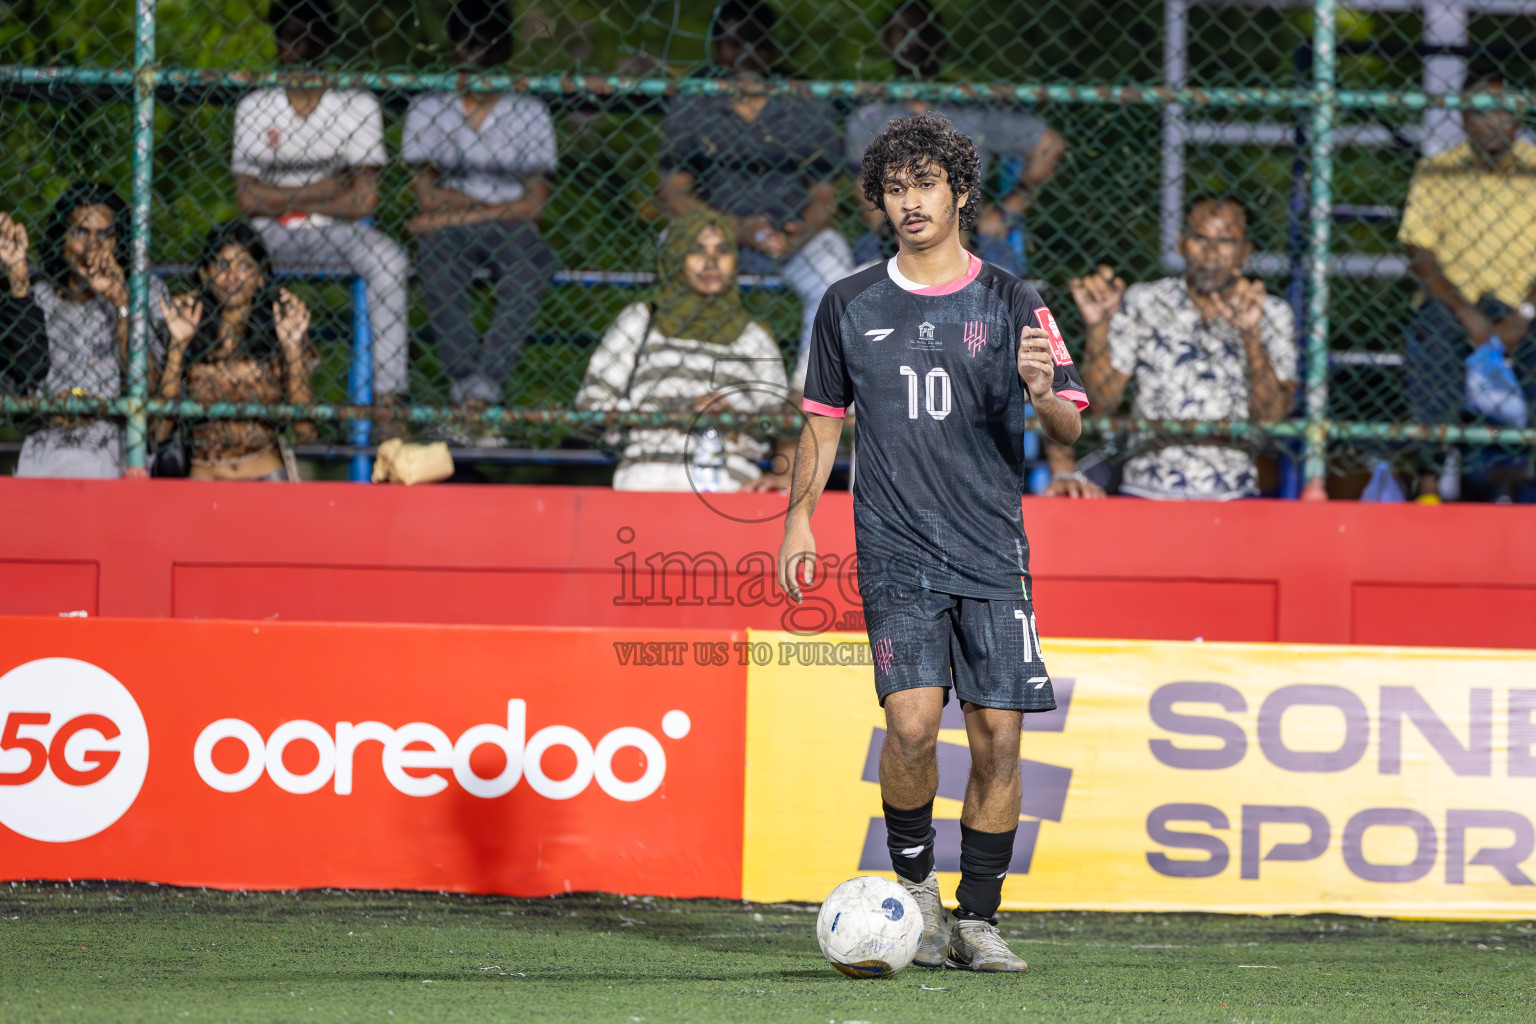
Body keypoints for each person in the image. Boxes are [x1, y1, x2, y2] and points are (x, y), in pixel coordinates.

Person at [777, 112, 1088, 972]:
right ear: (879, 200)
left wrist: (1041, 391)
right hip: (896, 546)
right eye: (894, 187)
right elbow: (822, 426)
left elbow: (1070, 425)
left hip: (992, 549)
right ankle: (913, 884)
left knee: (999, 737)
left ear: (958, 192)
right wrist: (799, 516)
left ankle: (977, 920)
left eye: (925, 184)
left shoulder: (1017, 299)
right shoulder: (846, 303)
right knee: (911, 725)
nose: (910, 201)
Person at [657, 0, 854, 389]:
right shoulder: (694, 101)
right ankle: (691, 386)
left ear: (771, 47)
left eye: (756, 43)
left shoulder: (802, 102)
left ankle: (807, 394)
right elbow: (673, 195)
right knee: (670, 245)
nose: (746, 55)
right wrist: (734, 228)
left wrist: (801, 233)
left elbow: (824, 197)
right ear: (716, 48)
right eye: (733, 44)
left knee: (833, 270)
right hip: (718, 234)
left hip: (792, 236)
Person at [231, 0, 410, 414]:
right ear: (276, 39)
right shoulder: (256, 104)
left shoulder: (355, 103)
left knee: (389, 262)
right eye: (290, 34)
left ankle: (388, 399)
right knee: (226, 260)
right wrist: (326, 187)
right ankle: (228, 376)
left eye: (310, 34)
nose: (300, 46)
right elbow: (246, 198)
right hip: (267, 233)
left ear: (328, 39)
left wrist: (280, 194)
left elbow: (364, 199)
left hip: (336, 230)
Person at [1067, 197, 1296, 499]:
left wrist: (1251, 336)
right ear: (1181, 243)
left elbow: (1271, 417)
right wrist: (1098, 328)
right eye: (1200, 238)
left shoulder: (1272, 313)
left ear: (1245, 253)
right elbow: (1101, 402)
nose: (1211, 253)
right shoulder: (1145, 301)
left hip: (1232, 492)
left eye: (1226, 241)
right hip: (1146, 489)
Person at [403, 0, 559, 423]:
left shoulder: (530, 110)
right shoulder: (428, 107)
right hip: (459, 229)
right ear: (452, 48)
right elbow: (426, 197)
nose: (476, 56)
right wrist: (490, 207)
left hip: (509, 229)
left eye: (488, 46)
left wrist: (455, 208)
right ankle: (469, 385)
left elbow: (534, 205)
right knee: (437, 258)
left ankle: (482, 387)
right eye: (467, 44)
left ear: (505, 50)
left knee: (533, 261)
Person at [844, 0, 1066, 278]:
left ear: (940, 43)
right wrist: (894, 232)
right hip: (894, 232)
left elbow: (1049, 144)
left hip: (972, 231)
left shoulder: (971, 110)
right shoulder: (870, 117)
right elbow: (864, 184)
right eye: (903, 33)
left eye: (923, 33)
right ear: (886, 44)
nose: (913, 42)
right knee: (864, 280)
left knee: (1005, 288)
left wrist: (1009, 208)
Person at [575, 209, 787, 492]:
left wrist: (733, 417)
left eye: (722, 251)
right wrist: (676, 414)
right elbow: (591, 406)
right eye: (697, 251)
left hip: (732, 483)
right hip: (649, 476)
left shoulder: (754, 336)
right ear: (675, 258)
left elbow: (780, 423)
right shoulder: (641, 320)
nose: (711, 262)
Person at [1399, 70, 1536, 502]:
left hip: (1525, 308)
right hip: (1454, 308)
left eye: (1505, 110)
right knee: (1433, 337)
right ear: (1461, 116)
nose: (1493, 121)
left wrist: (1525, 314)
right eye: (1481, 111)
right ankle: (1429, 486)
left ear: (1521, 115)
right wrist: (1466, 313)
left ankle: (1520, 485)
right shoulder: (1437, 171)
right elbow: (1419, 250)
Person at [0, 184, 170, 478]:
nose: (93, 247)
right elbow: (12, 391)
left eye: (104, 235)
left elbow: (152, 387)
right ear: (61, 238)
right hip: (46, 444)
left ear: (119, 240)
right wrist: (46, 408)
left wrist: (120, 303)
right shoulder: (38, 297)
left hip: (116, 447)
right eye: (80, 233)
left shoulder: (145, 294)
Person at [156, 221, 315, 481]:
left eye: (244, 266)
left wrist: (292, 348)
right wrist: (177, 346)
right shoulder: (189, 331)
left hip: (266, 478)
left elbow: (306, 430)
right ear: (206, 274)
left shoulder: (279, 331)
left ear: (260, 276)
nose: (232, 276)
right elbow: (160, 429)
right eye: (222, 265)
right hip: (202, 481)